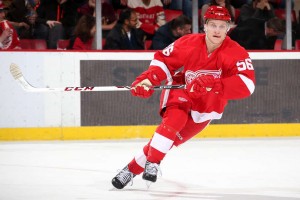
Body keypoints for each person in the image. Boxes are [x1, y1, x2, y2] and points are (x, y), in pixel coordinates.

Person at [111, 5, 255, 189]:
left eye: (221, 26)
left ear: (228, 28)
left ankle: (130, 170)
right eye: (213, 25)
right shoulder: (189, 42)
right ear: (205, 26)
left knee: (165, 142)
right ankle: (153, 162)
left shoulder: (236, 52)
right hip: (182, 92)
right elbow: (163, 61)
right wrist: (148, 80)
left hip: (207, 106)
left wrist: (214, 84)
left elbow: (247, 85)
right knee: (174, 120)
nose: (217, 30)